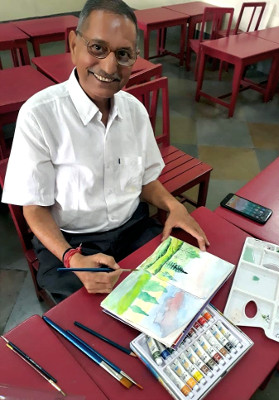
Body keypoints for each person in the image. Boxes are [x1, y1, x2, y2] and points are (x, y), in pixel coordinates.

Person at [2, 0, 209, 301]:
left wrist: (173, 206)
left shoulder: (135, 112)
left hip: (133, 228)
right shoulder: (39, 115)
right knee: (94, 323)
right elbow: (33, 207)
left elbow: (145, 181)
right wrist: (72, 258)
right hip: (71, 242)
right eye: (97, 48)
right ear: (73, 44)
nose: (110, 67)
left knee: (177, 296)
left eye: (124, 54)